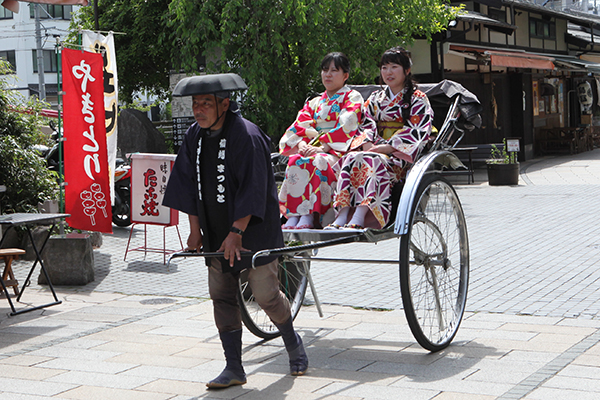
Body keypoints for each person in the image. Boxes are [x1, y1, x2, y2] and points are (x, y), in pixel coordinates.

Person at [163, 74, 308, 389]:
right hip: (216, 232)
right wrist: (194, 230)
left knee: (266, 296)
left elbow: (253, 188)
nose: (198, 110)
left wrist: (236, 231)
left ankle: (293, 343)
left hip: (253, 231)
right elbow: (186, 184)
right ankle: (234, 367)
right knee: (222, 297)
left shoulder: (246, 135)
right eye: (194, 104)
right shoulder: (194, 136)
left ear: (224, 104)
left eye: (205, 103)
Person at [328, 47, 433, 229]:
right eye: (384, 67)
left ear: (407, 71)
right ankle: (342, 213)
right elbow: (363, 123)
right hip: (373, 149)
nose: (388, 72)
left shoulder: (418, 99)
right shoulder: (376, 98)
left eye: (394, 67)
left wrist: (389, 148)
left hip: (399, 158)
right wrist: (367, 143)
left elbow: (418, 130)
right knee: (351, 157)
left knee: (372, 160)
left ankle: (360, 216)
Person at [278, 52, 364, 229]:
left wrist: (323, 146)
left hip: (338, 151)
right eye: (325, 70)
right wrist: (301, 144)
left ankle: (310, 215)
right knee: (295, 159)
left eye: (334, 70)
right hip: (312, 148)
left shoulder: (352, 97)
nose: (328, 75)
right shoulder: (314, 102)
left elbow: (347, 124)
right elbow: (298, 126)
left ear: (345, 76)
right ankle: (295, 215)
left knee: (318, 161)